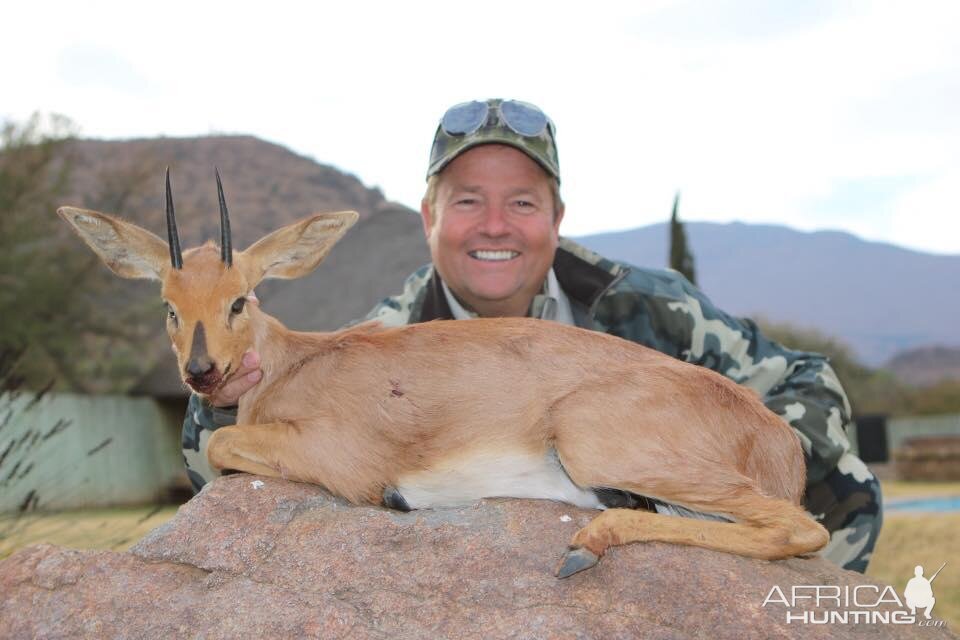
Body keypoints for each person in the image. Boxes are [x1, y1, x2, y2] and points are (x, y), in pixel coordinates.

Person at [181, 98, 883, 573]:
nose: (494, 225)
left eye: (521, 202)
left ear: (557, 214)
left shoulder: (647, 304)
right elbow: (224, 458)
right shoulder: (386, 340)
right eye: (467, 201)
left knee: (593, 434)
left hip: (693, 470)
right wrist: (224, 395)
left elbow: (803, 383)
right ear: (427, 215)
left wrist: (731, 489)